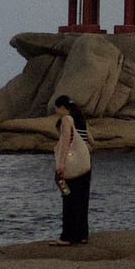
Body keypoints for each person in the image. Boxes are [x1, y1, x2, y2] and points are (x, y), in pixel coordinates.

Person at [51, 95, 92, 246]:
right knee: (82, 200)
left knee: (69, 199)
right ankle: (82, 235)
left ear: (62, 107)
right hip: (85, 165)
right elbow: (91, 141)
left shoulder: (67, 120)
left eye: (56, 108)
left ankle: (67, 237)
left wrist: (61, 164)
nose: (56, 111)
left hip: (72, 165)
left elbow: (66, 141)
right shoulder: (81, 120)